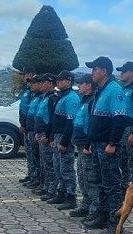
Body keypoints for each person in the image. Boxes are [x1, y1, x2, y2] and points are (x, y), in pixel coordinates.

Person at [85, 56, 129, 234]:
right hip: (97, 144)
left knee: (112, 185)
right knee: (100, 182)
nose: (92, 73)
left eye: (94, 69)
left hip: (107, 146)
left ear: (104, 70)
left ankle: (116, 223)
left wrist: (112, 143)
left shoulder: (114, 90)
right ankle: (102, 216)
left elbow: (120, 119)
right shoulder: (101, 90)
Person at [48, 70, 81, 210]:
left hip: (64, 136)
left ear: (68, 81)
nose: (57, 82)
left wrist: (64, 142)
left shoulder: (72, 98)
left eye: (60, 80)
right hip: (57, 135)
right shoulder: (62, 96)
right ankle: (61, 193)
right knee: (58, 167)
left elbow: (71, 122)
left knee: (66, 168)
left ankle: (71, 196)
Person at [69, 74, 101, 220]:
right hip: (80, 145)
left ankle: (95, 209)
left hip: (88, 146)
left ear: (89, 85)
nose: (79, 86)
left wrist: (89, 144)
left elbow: (93, 126)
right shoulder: (84, 101)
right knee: (81, 177)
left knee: (91, 178)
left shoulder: (92, 102)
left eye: (81, 84)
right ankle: (86, 206)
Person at [116, 61, 133, 188]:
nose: (121, 74)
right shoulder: (122, 88)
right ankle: (125, 191)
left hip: (131, 128)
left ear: (132, 73)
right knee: (122, 162)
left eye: (124, 71)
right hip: (121, 128)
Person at [33, 74, 58, 200]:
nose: (41, 84)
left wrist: (48, 136)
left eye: (44, 82)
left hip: (46, 134)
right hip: (41, 133)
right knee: (44, 163)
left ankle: (52, 189)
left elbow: (51, 119)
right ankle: (46, 186)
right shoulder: (44, 97)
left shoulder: (52, 98)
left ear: (50, 83)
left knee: (49, 163)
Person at [18, 66, 37, 184]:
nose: (24, 78)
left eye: (25, 75)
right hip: (26, 124)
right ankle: (31, 174)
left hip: (30, 125)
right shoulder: (27, 90)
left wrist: (24, 124)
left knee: (34, 153)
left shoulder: (33, 91)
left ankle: (35, 176)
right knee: (29, 152)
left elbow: (31, 110)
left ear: (30, 74)